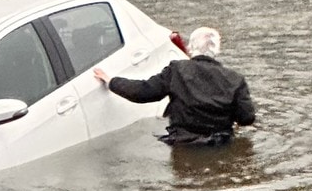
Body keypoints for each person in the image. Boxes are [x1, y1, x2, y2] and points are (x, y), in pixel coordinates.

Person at [94, 27, 255, 146]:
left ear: (190, 48)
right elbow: (247, 118)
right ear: (217, 50)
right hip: (220, 143)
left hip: (183, 143)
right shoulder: (235, 80)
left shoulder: (177, 70)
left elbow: (143, 92)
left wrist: (111, 81)